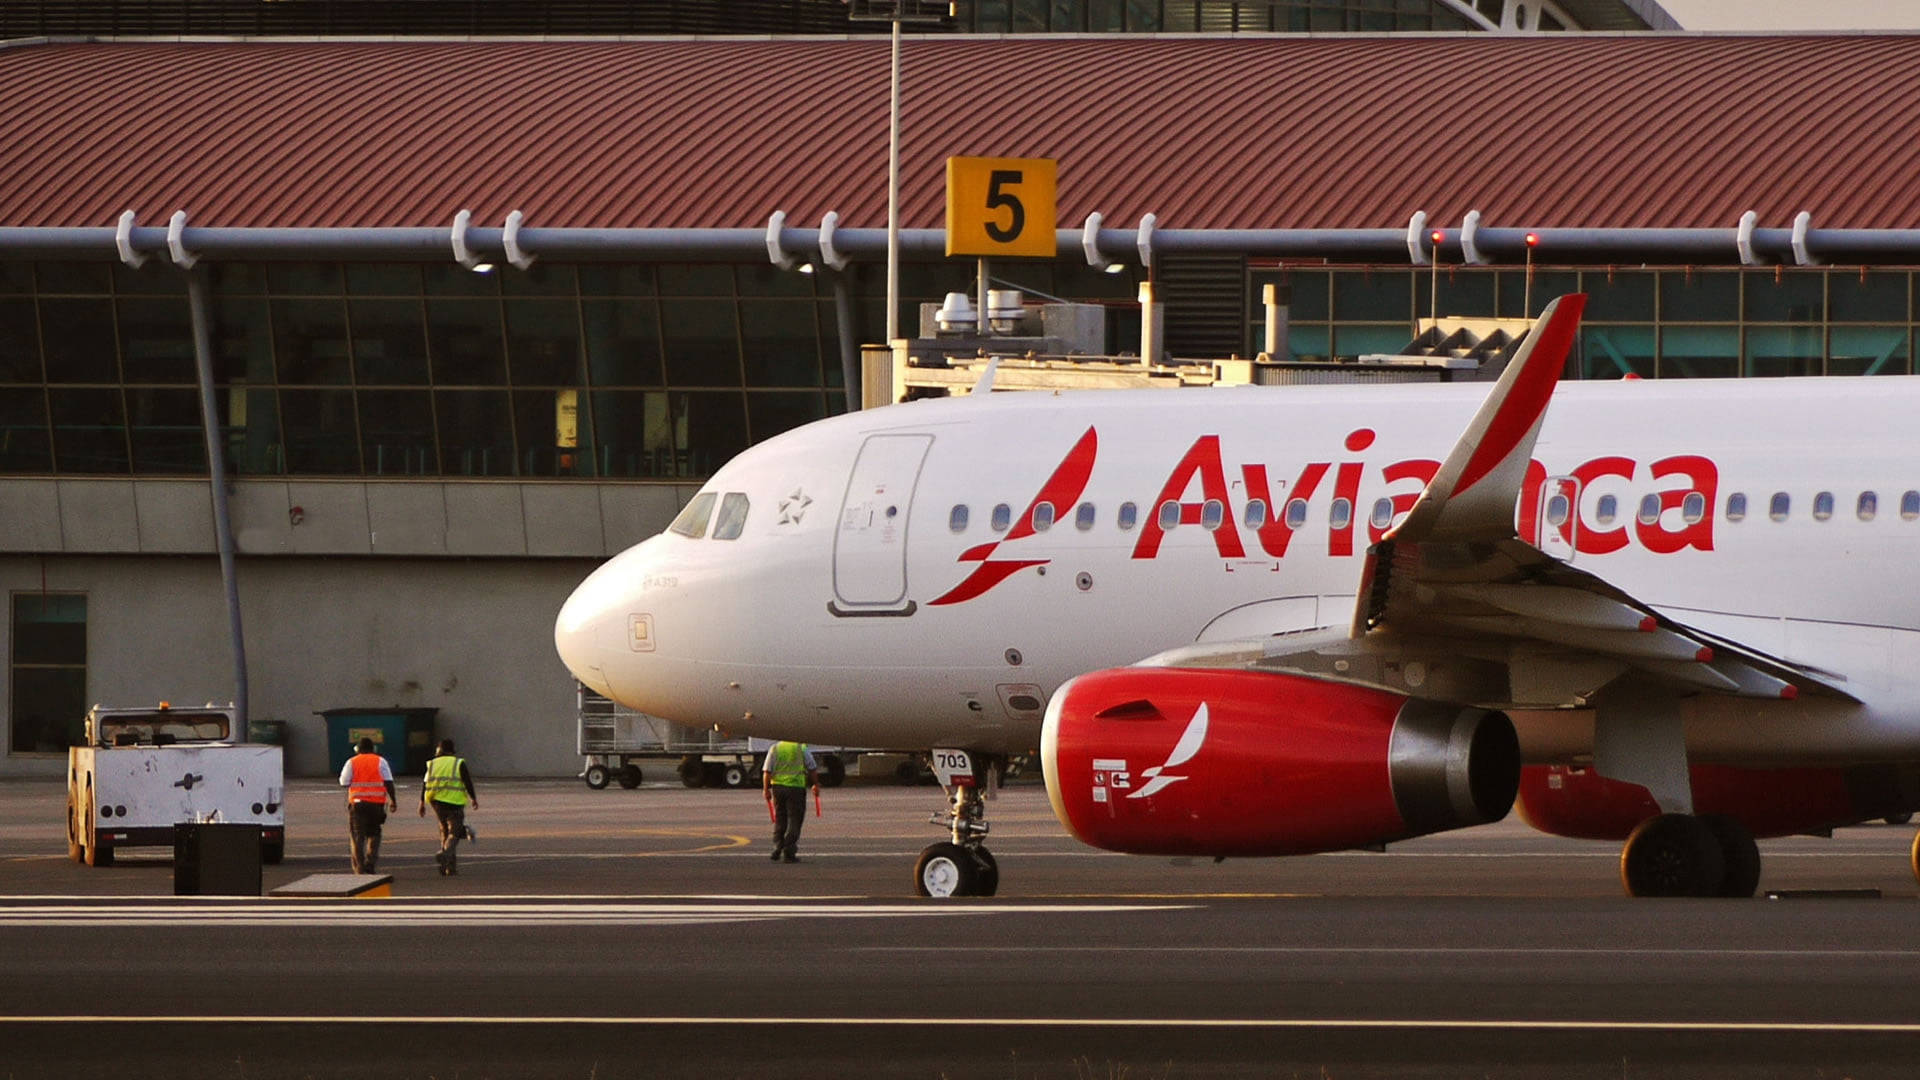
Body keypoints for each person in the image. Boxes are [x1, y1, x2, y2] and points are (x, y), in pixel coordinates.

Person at [419, 738, 479, 876]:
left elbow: (425, 783)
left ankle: (449, 867)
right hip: (454, 801)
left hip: (436, 802)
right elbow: (467, 781)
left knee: (444, 831)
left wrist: (421, 802)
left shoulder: (432, 764)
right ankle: (445, 854)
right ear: (452, 751)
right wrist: (473, 798)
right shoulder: (458, 763)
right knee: (455, 833)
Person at [337, 737, 397, 874]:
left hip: (358, 804)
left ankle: (359, 867)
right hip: (376, 804)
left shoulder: (352, 762)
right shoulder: (381, 761)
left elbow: (343, 782)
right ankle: (370, 864)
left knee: (358, 836)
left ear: (358, 749)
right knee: (374, 834)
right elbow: (389, 782)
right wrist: (393, 800)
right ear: (373, 749)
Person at [761, 739, 818, 863]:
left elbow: (767, 771)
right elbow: (812, 768)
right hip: (796, 789)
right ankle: (789, 850)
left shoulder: (775, 748)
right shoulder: (801, 748)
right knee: (795, 820)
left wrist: (766, 789)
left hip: (778, 788)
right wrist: (816, 785)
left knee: (780, 818)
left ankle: (778, 846)